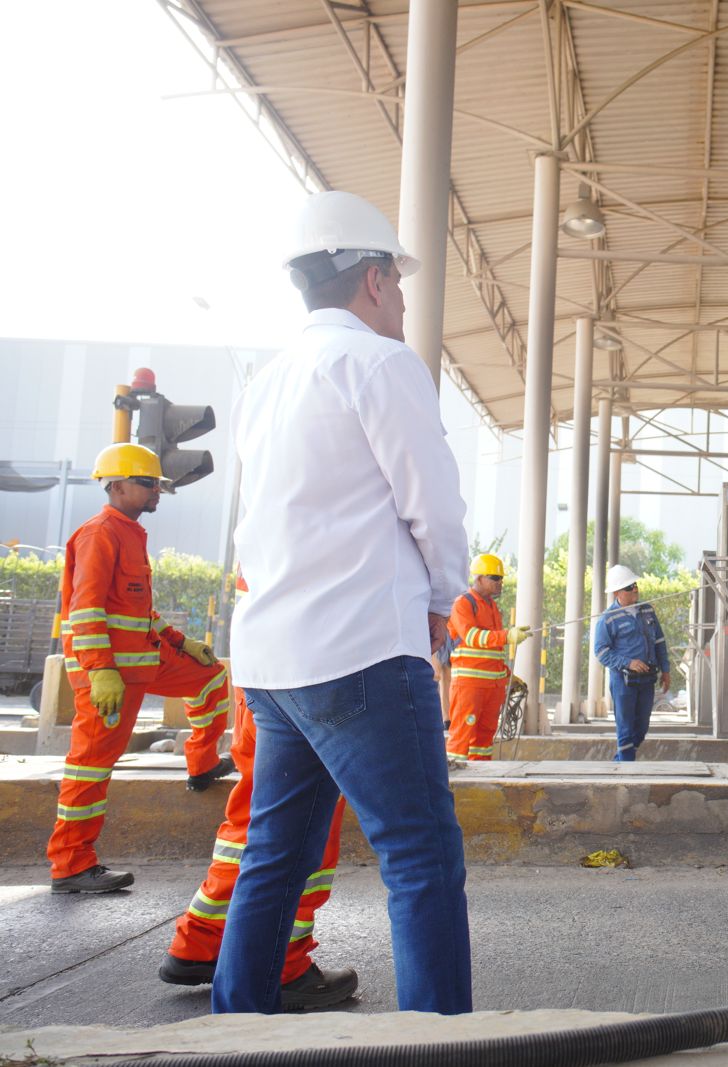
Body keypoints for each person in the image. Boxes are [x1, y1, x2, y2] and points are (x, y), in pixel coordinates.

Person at [214, 190, 472, 1014]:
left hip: (274, 664)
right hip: (363, 653)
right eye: (398, 282)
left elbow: (258, 528)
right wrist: (443, 602)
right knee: (421, 858)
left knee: (274, 857)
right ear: (372, 279)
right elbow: (435, 508)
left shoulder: (266, 381)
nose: (403, 302)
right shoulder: (382, 364)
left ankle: (230, 1029)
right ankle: (440, 1044)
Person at [161, 575, 358, 1010]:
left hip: (264, 674)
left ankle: (203, 939)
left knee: (254, 821)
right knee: (307, 827)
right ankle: (285, 964)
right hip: (309, 672)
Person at [48, 443, 235, 895]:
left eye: (158, 484)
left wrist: (181, 642)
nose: (157, 491)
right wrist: (100, 671)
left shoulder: (130, 532)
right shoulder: (99, 534)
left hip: (144, 662)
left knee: (212, 678)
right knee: (90, 767)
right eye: (148, 482)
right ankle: (71, 864)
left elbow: (137, 612)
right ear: (116, 486)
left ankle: (202, 764)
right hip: (110, 676)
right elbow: (85, 609)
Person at [445, 553, 529, 762]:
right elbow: (472, 637)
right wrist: (506, 636)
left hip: (492, 686)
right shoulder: (463, 603)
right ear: (479, 578)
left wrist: (507, 676)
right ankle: (454, 777)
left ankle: (480, 774)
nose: (500, 582)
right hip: (469, 685)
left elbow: (494, 652)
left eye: (501, 578)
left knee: (484, 738)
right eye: (495, 578)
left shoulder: (492, 607)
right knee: (462, 735)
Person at [592, 564, 671, 762]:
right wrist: (628, 663)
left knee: (641, 728)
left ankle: (619, 762)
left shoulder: (647, 610)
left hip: (647, 679)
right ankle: (626, 769)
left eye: (635, 585)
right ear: (617, 592)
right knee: (625, 729)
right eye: (629, 587)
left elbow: (659, 641)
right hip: (623, 682)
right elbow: (601, 652)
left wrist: (666, 670)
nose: (635, 589)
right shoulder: (608, 619)